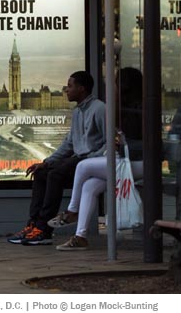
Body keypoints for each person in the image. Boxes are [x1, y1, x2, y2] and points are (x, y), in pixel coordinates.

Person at [7, 70, 106, 246]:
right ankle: (33, 225)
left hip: (89, 161)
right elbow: (68, 143)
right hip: (77, 160)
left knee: (55, 175)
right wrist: (46, 162)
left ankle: (44, 231)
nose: (66, 90)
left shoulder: (99, 109)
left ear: (81, 89)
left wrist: (92, 158)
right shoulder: (77, 112)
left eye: (69, 86)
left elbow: (110, 142)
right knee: (42, 173)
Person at [51, 67, 144, 251]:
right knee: (89, 186)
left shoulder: (138, 109)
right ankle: (80, 236)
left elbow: (141, 143)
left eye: (116, 83)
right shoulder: (117, 109)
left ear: (125, 86)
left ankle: (72, 211)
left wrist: (120, 140)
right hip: (120, 161)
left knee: (83, 166)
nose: (113, 88)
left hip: (136, 163)